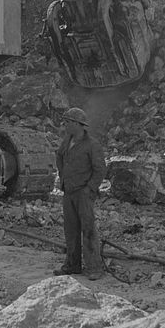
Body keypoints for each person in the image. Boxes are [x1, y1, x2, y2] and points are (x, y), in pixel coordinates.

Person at [54, 107, 106, 279]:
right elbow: (60, 156)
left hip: (83, 193)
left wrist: (89, 188)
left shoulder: (92, 145)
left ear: (78, 124)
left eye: (68, 122)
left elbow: (100, 170)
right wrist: (63, 179)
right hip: (69, 192)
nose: (65, 125)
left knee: (88, 230)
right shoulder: (67, 140)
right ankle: (72, 264)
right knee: (71, 230)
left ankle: (94, 268)